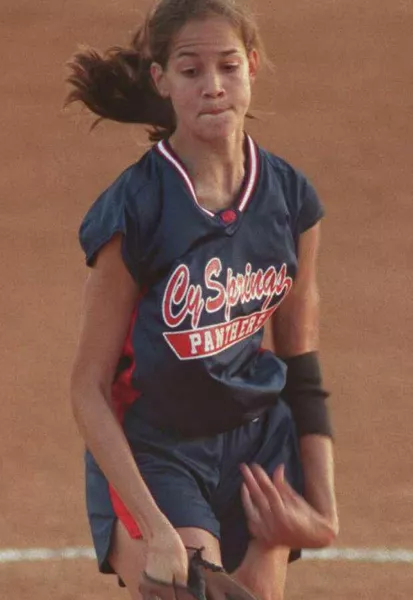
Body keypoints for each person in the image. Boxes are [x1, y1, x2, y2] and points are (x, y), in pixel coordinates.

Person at [66, 1, 338, 598]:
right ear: (161, 80)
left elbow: (301, 364)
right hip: (159, 448)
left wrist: (322, 515)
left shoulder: (291, 199)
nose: (213, 87)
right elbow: (87, 386)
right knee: (190, 593)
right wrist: (157, 529)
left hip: (258, 446)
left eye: (228, 66)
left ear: (253, 69)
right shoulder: (137, 210)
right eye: (191, 71)